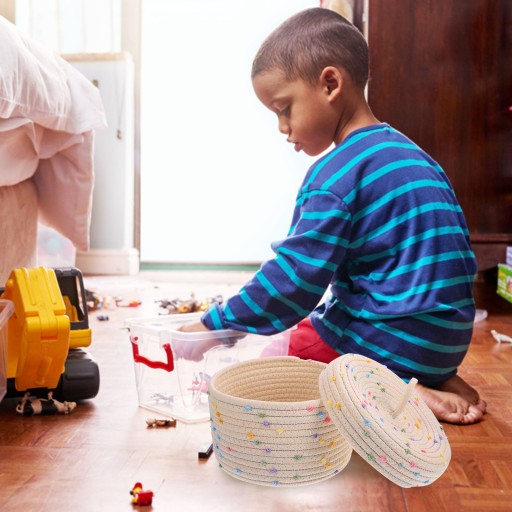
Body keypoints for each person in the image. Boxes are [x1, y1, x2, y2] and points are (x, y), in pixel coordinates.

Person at [181, 7, 486, 424]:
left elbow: (293, 281)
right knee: (330, 316)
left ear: (330, 84)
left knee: (287, 352)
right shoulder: (414, 156)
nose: (282, 127)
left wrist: (215, 326)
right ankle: (429, 377)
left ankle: (394, 391)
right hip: (444, 343)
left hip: (390, 345)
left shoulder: (335, 176)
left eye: (284, 109)